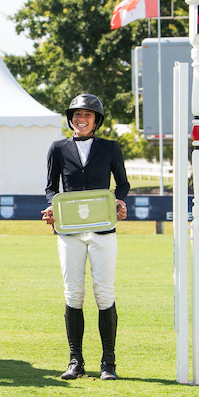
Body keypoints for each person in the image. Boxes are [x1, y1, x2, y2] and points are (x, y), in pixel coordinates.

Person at [41, 93, 129, 381]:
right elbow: (51, 188)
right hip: (70, 233)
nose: (81, 120)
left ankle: (109, 363)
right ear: (71, 119)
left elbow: (123, 184)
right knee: (73, 293)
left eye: (87, 115)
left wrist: (120, 201)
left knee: (104, 293)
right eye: (77, 115)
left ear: (97, 120)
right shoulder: (57, 148)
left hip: (103, 230)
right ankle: (75, 361)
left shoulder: (111, 148)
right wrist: (52, 207)